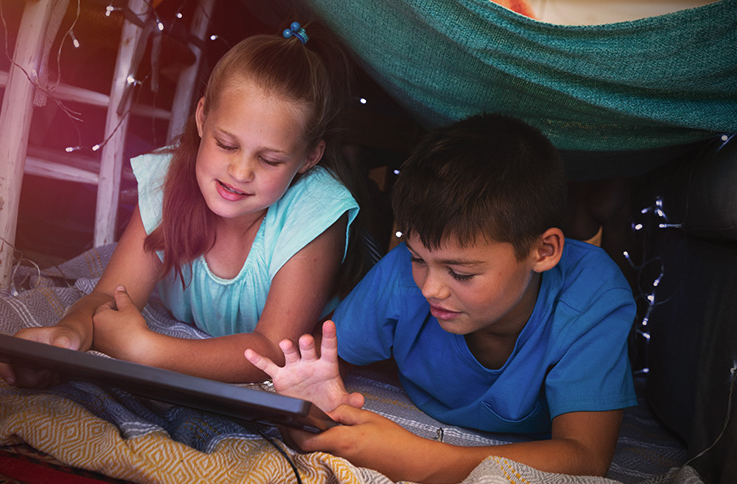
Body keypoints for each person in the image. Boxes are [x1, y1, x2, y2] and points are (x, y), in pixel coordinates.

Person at [244, 113, 638, 482]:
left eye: (461, 272)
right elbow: (330, 360)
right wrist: (316, 404)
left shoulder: (592, 295)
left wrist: (419, 459)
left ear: (543, 252)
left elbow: (586, 458)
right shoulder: (401, 276)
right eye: (418, 257)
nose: (430, 288)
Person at [0, 21, 365, 386]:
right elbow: (111, 296)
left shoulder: (315, 211)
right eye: (226, 144)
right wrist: (69, 334)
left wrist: (148, 351)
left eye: (269, 160)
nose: (240, 172)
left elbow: (271, 349)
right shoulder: (168, 179)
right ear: (202, 117)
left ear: (309, 159)